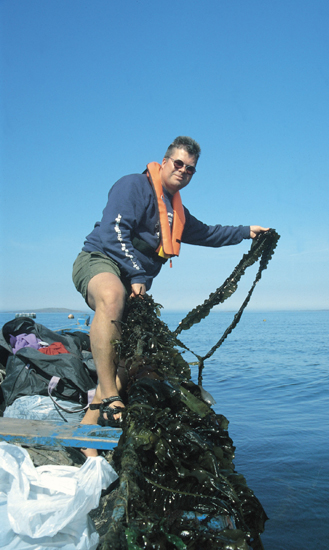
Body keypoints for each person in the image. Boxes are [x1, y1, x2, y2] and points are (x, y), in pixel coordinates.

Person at [72, 136, 268, 456]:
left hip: (133, 284)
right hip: (100, 262)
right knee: (112, 294)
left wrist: (247, 232)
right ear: (164, 162)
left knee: (136, 361)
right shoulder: (133, 186)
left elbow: (209, 234)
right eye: (178, 164)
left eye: (190, 169)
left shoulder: (177, 211)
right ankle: (109, 396)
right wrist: (136, 275)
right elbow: (112, 232)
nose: (183, 171)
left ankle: (87, 431)